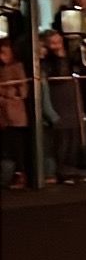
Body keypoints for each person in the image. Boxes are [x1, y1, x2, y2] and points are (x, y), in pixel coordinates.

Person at [39, 31, 84, 184]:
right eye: (54, 43)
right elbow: (56, 75)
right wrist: (57, 56)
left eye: (59, 42)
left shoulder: (70, 58)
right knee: (61, 142)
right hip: (58, 102)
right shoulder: (48, 62)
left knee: (73, 140)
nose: (58, 46)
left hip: (71, 101)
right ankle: (62, 171)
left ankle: (72, 169)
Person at [0, 40, 27, 189]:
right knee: (7, 147)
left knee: (16, 146)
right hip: (3, 114)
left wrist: (7, 92)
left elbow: (22, 91)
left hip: (15, 114)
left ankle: (19, 174)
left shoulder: (17, 67)